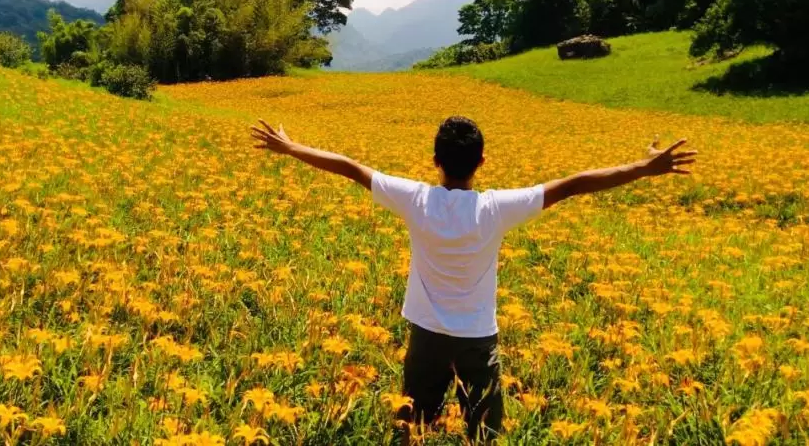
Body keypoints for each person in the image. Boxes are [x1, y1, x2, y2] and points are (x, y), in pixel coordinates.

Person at [249, 116, 696, 444]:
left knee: (412, 428)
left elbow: (349, 166)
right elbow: (573, 184)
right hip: (477, 342)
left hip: (425, 339)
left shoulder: (415, 199)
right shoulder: (495, 208)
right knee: (483, 435)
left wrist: (290, 148)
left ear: (434, 161)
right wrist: (642, 168)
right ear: (481, 162)